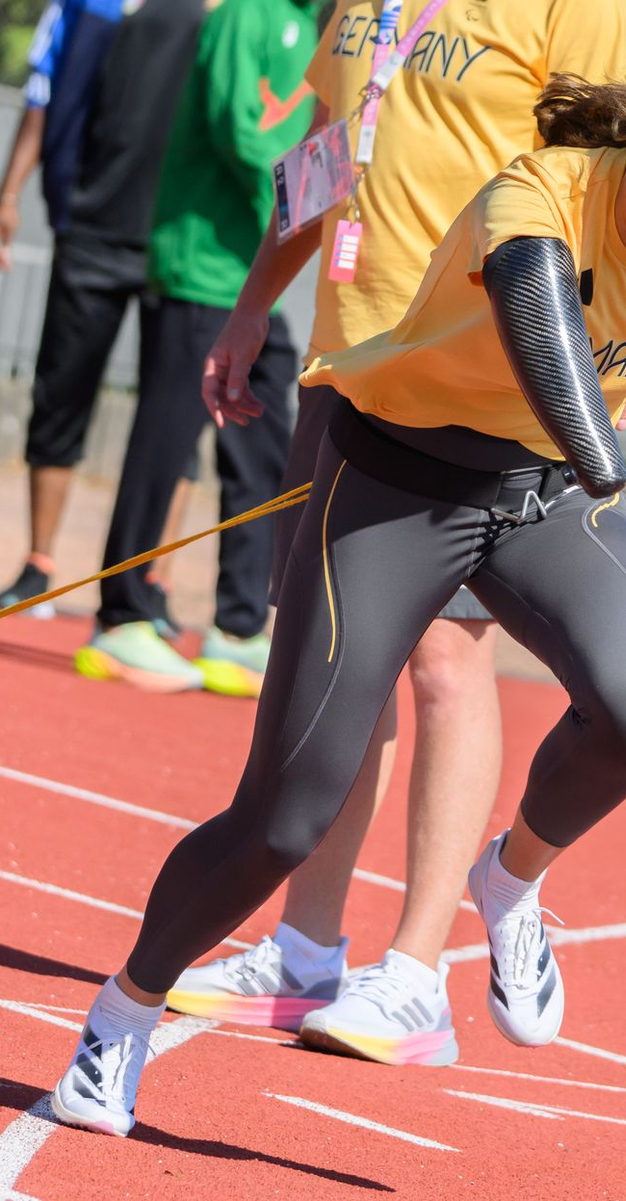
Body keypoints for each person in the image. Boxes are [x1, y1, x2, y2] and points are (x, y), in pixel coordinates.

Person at [50, 73, 626, 1137]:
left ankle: (507, 883)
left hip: (545, 494)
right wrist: (256, 295)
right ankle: (120, 1015)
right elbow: (538, 320)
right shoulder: (542, 190)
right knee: (286, 816)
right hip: (402, 479)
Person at [73, 0, 322, 696]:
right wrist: (316, 210)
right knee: (165, 441)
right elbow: (240, 131)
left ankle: (239, 627)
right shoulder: (252, 13)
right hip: (204, 265)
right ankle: (121, 616)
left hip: (251, 280)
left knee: (266, 446)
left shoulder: (324, 25)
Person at [0, 0, 206, 621]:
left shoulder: (217, 11)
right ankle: (39, 566)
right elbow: (41, 99)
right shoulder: (83, 7)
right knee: (60, 394)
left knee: (175, 419)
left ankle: (150, 583)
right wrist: (8, 196)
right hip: (92, 229)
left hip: (182, 237)